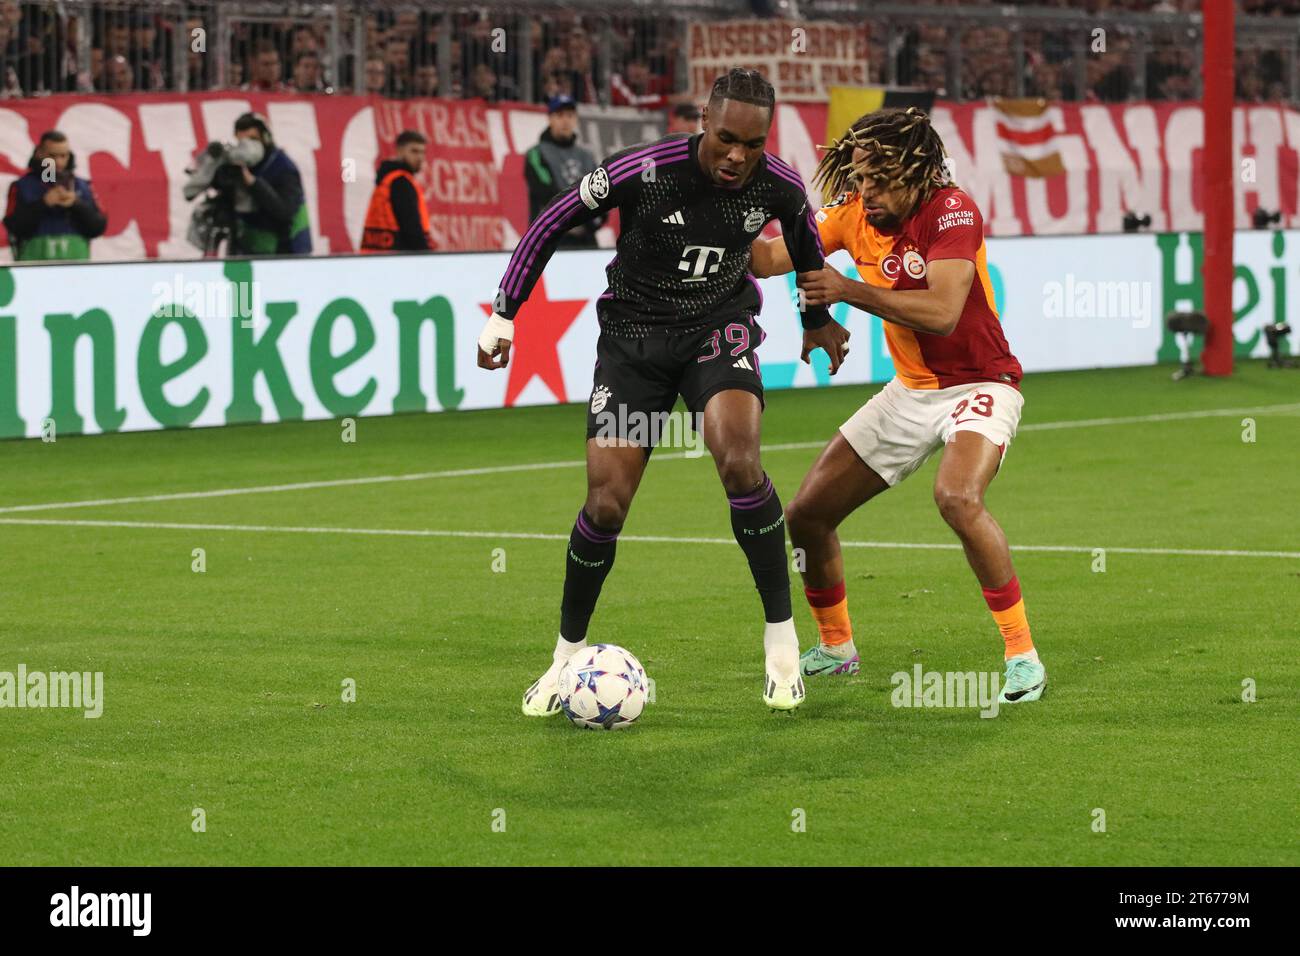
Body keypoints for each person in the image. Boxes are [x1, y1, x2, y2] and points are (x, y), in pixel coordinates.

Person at [477, 68, 850, 715]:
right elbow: (555, 219)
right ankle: (566, 656)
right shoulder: (643, 170)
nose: (738, 156)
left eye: (753, 144)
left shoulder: (778, 184)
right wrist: (505, 310)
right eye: (727, 138)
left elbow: (805, 240)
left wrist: (814, 319)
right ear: (703, 122)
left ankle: (782, 643)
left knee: (739, 461)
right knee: (606, 506)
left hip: (718, 328)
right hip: (634, 343)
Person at [749, 107, 1045, 704]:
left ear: (915, 173)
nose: (866, 193)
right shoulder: (855, 212)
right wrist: (736, 203)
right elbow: (767, 260)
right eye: (859, 179)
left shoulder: (952, 209)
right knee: (806, 514)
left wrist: (847, 290)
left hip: (981, 385)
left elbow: (942, 312)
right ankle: (836, 646)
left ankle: (1022, 655)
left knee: (957, 497)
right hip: (910, 393)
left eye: (880, 180)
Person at [4, 129, 107, 261]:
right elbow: (14, 228)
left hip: (76, 270)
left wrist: (76, 204)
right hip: (33, 271)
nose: (58, 162)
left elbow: (98, 228)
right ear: (39, 154)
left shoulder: (83, 186)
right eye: (52, 156)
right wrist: (43, 203)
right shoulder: (21, 186)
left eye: (63, 156)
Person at [223, 112, 310, 255]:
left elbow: (284, 211)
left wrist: (252, 182)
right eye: (243, 142)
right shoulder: (241, 165)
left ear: (266, 138)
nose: (248, 147)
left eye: (253, 139)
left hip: (287, 251)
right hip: (254, 249)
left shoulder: (284, 167)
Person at [523, 94, 601, 249]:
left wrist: (589, 223)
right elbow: (546, 192)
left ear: (576, 119)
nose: (565, 120)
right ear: (550, 119)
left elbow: (602, 194)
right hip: (549, 241)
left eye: (570, 115)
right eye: (559, 115)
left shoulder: (587, 157)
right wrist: (577, 219)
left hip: (586, 241)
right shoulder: (536, 154)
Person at [360, 129, 433, 252]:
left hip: (377, 260)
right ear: (399, 151)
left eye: (422, 152)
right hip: (397, 261)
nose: (420, 157)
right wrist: (426, 257)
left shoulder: (386, 179)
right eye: (414, 151)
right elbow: (411, 229)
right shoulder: (401, 182)